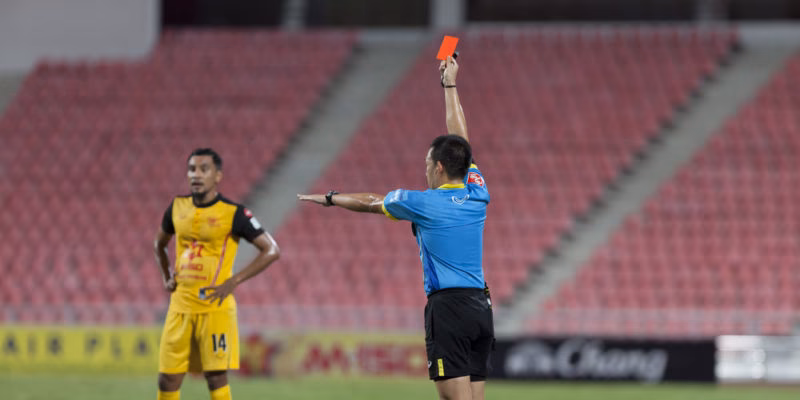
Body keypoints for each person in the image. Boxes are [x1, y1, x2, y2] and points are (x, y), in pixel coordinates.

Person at [298, 56, 493, 400]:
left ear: (437, 167)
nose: (425, 171)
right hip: (481, 308)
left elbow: (372, 201)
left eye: (426, 164)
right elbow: (462, 142)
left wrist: (331, 198)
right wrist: (450, 85)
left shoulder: (422, 203)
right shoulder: (477, 191)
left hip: (448, 308)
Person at [154, 148, 281, 400]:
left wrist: (233, 281)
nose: (196, 175)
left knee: (215, 377)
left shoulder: (233, 213)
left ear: (218, 175)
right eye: (192, 169)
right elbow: (159, 244)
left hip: (215, 308)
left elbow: (271, 250)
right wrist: (166, 274)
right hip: (180, 307)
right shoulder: (177, 207)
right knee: (168, 378)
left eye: (204, 169)